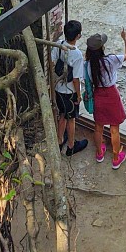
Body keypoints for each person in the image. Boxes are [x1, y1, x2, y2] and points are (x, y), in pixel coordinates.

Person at [85, 28, 126, 169]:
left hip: (98, 95)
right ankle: (116, 158)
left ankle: (99, 153)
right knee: (114, 129)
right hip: (111, 95)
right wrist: (125, 38)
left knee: (98, 127)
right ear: (102, 48)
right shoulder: (110, 60)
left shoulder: (87, 64)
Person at [52, 20, 88, 156]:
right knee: (71, 118)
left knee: (62, 115)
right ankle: (71, 146)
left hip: (58, 89)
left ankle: (60, 140)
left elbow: (52, 62)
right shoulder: (77, 54)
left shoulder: (59, 44)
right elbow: (76, 78)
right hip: (69, 92)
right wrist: (78, 95)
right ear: (78, 36)